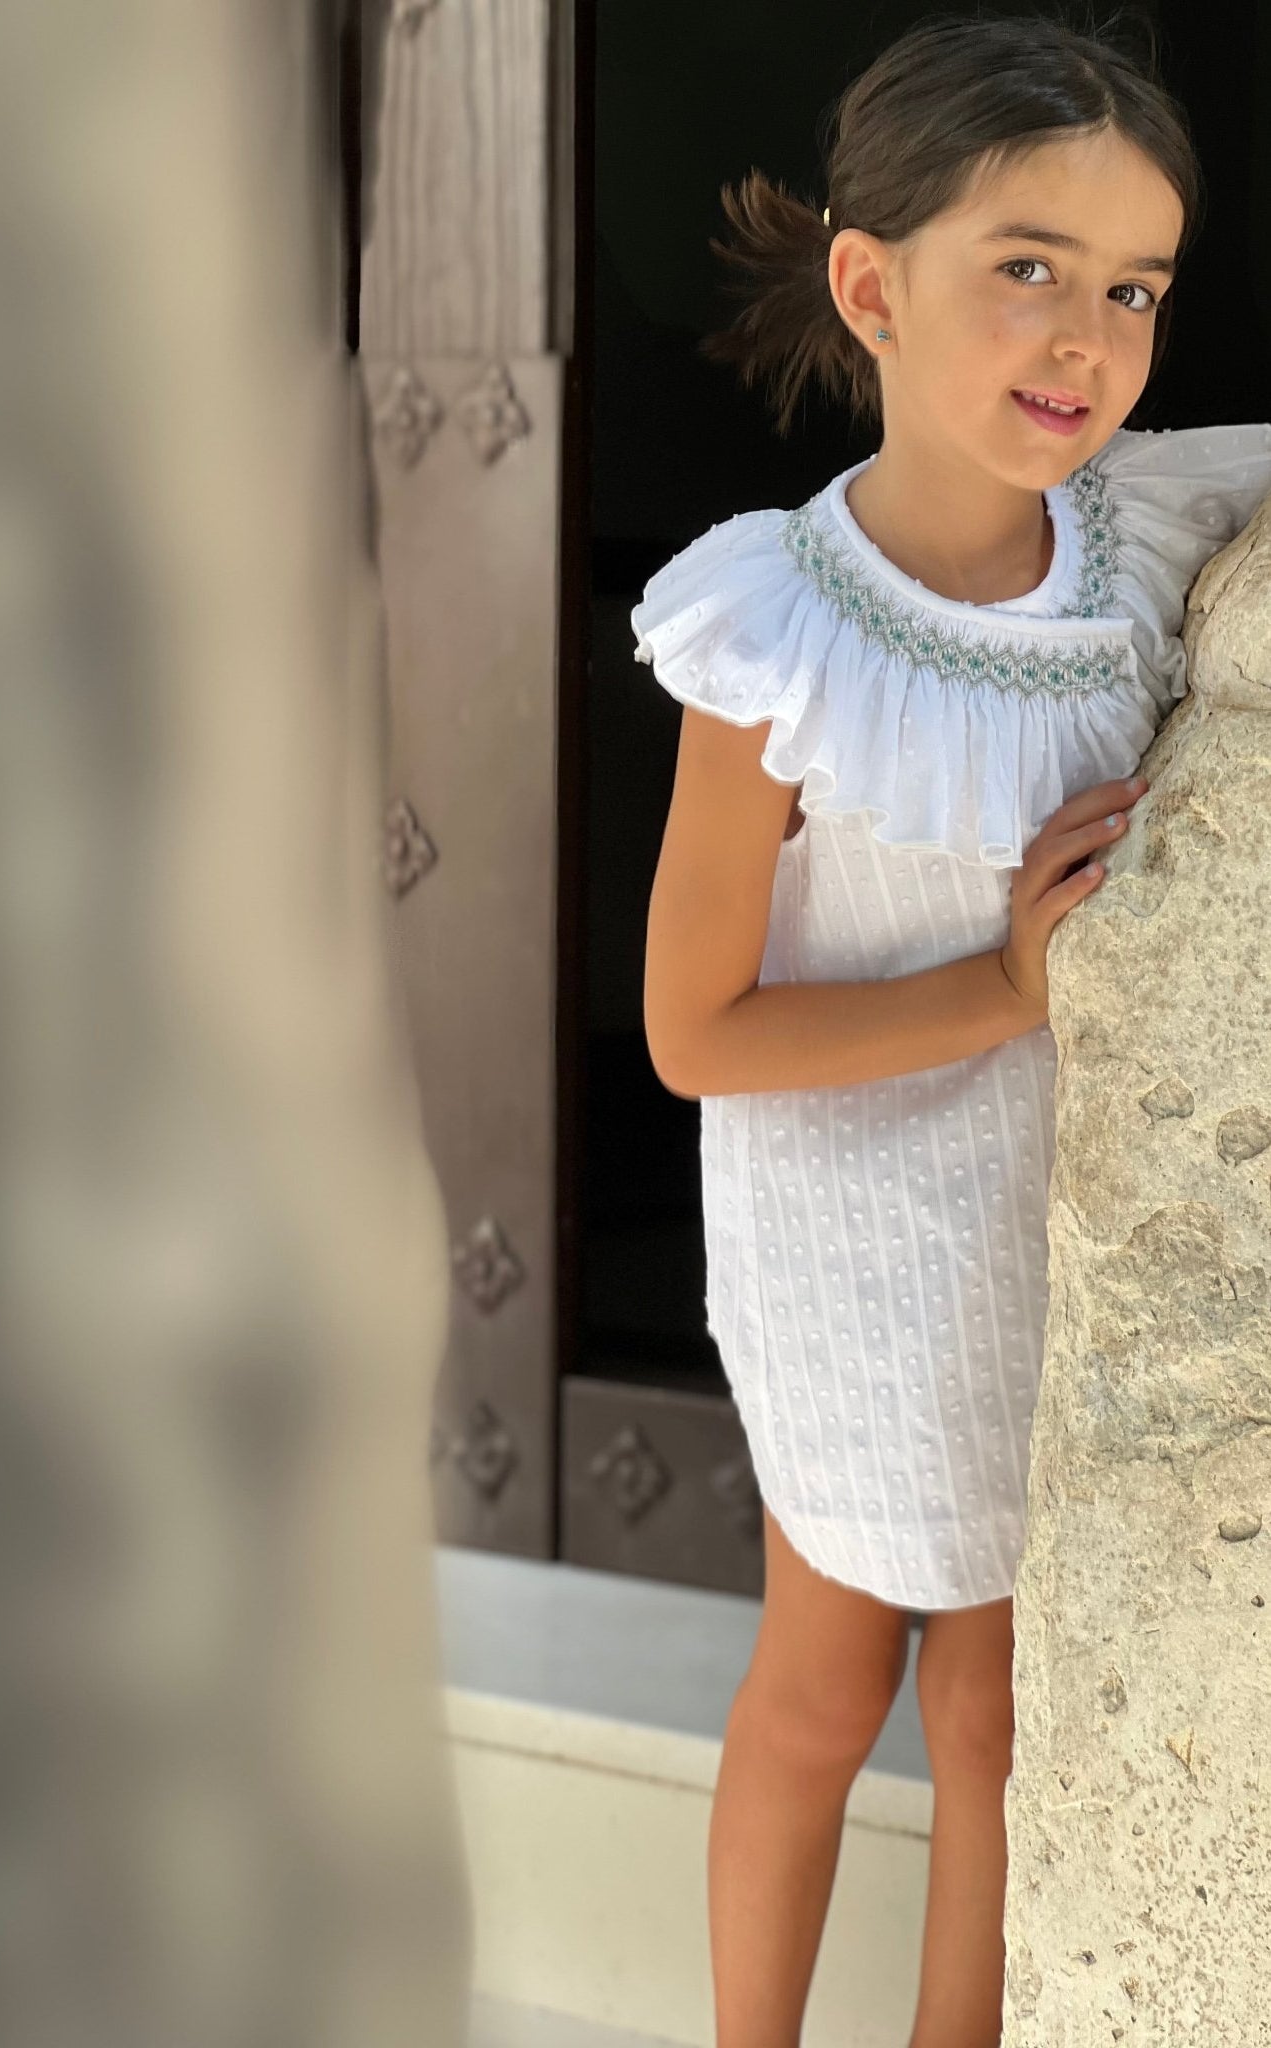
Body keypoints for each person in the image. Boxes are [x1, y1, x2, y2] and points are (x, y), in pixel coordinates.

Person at [630, 12, 1271, 2047]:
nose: (1082, 334)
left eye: (1132, 287)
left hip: (1039, 1227)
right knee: (825, 1683)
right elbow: (693, 1031)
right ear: (867, 281)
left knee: (997, 1696)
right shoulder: (773, 633)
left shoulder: (1136, 538)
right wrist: (997, 985)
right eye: (1026, 265)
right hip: (845, 1231)